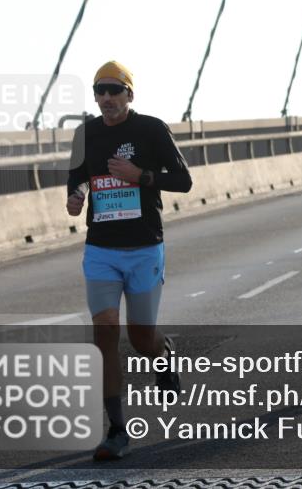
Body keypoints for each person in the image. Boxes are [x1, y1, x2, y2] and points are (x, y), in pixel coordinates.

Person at [66, 61, 193, 461]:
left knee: (141, 339)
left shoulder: (151, 129)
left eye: (113, 91)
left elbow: (184, 180)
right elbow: (77, 180)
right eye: (99, 92)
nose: (105, 98)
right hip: (101, 249)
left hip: (143, 248)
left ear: (129, 95)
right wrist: (75, 198)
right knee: (104, 333)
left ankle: (163, 353)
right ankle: (116, 431)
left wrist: (141, 175)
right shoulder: (84, 134)